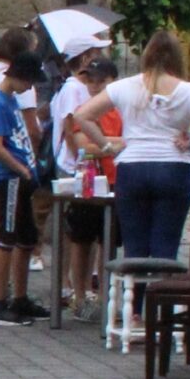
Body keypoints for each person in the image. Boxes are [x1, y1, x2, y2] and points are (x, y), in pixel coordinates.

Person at [68, 30, 190, 263]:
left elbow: (82, 115)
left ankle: (135, 287)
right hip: (174, 167)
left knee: (134, 248)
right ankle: (161, 285)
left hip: (132, 167)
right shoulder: (188, 91)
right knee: (166, 248)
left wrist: (106, 145)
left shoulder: (124, 87)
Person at [0, 53, 48, 326]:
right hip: (9, 177)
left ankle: (20, 298)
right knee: (6, 237)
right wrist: (21, 169)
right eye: (29, 81)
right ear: (19, 76)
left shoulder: (11, 100)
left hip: (20, 177)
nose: (30, 87)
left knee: (26, 236)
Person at [50, 55, 117, 316]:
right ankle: (80, 294)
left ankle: (104, 295)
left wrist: (106, 144)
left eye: (101, 81)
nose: (95, 86)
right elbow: (82, 147)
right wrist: (115, 145)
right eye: (91, 81)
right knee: (81, 238)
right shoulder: (84, 110)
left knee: (108, 240)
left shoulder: (120, 110)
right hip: (89, 180)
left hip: (114, 180)